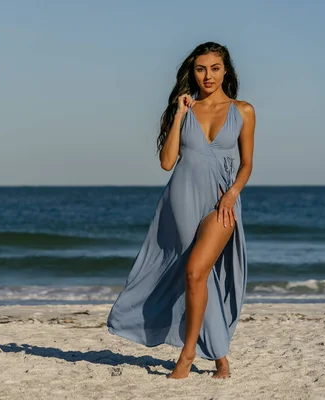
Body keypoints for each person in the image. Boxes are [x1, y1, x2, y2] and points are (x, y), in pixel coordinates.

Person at [106, 41, 255, 379]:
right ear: (193, 72)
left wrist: (232, 194)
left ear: (226, 70)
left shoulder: (243, 110)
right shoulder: (185, 111)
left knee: (195, 272)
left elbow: (247, 164)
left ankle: (187, 355)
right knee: (200, 277)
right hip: (182, 200)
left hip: (221, 204)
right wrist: (179, 115)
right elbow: (167, 162)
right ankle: (220, 358)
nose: (208, 76)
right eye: (201, 69)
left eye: (215, 68)